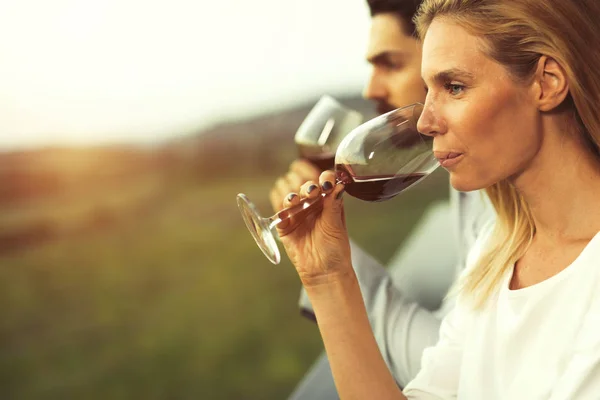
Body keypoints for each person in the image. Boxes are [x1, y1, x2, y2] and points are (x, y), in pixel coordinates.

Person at [277, 0, 600, 397]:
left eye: (454, 87)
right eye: (429, 90)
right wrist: (327, 278)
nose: (426, 122)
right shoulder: (495, 255)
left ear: (546, 82)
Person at [272, 1, 493, 398]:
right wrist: (325, 273)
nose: (369, 89)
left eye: (390, 64)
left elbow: (451, 368)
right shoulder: (474, 180)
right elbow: (459, 345)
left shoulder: (497, 191)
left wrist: (339, 269)